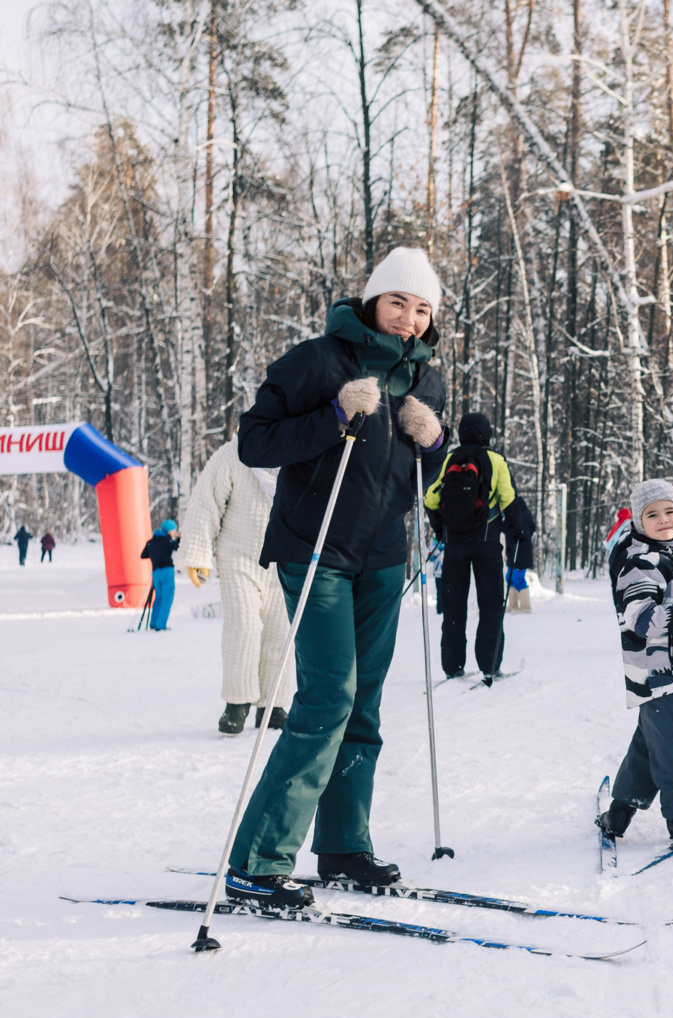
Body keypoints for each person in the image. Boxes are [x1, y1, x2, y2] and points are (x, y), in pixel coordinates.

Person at [224, 246, 449, 907]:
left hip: (382, 557)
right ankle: (258, 859)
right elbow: (255, 441)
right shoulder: (319, 360)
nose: (408, 318)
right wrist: (333, 417)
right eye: (398, 303)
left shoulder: (424, 380)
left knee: (365, 703)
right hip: (312, 549)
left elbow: (420, 479)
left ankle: (345, 846)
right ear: (373, 301)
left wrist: (433, 442)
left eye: (422, 308)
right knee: (327, 698)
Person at [596, 479, 673, 843]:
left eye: (670, 511)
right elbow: (641, 618)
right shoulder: (639, 563)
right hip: (661, 673)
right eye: (651, 514)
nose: (663, 519)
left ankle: (620, 812)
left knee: (652, 741)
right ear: (638, 522)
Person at [181, 437, 295, 735]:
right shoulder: (232, 454)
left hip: (283, 557)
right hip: (238, 556)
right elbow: (205, 503)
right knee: (244, 627)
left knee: (279, 632)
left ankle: (272, 705)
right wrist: (197, 553)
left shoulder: (297, 452)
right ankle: (237, 703)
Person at [424, 412, 517, 684]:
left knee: (454, 606)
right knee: (490, 605)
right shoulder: (495, 460)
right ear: (486, 433)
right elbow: (508, 499)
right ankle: (489, 665)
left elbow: (431, 499)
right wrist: (517, 532)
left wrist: (441, 529)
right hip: (486, 544)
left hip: (454, 546)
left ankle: (453, 666)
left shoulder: (450, 459)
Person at [140, 520, 180, 631]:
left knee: (158, 598)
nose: (174, 532)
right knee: (167, 599)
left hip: (156, 573)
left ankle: (153, 623)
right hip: (167, 571)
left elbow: (143, 555)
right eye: (174, 530)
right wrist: (179, 538)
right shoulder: (168, 541)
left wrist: (155, 554)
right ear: (169, 530)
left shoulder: (151, 541)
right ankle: (160, 625)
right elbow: (178, 547)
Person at [503, 488, 537, 615]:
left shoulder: (515, 513)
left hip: (520, 552)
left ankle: (525, 605)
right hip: (515, 551)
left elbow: (508, 528)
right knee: (509, 577)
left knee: (517, 578)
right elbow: (532, 528)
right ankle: (513, 604)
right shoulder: (523, 511)